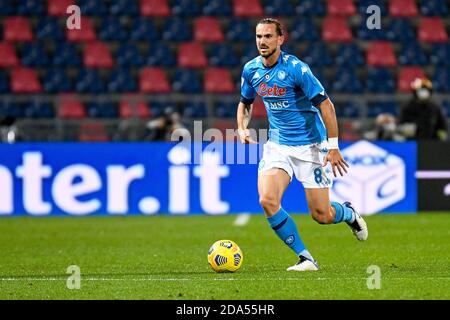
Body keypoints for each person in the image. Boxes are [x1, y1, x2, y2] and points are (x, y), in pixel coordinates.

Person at [236, 18, 368, 272]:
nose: (262, 41)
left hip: (311, 148)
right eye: (258, 36)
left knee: (322, 215)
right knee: (267, 200)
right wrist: (242, 127)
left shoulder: (297, 69)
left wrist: (333, 146)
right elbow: (246, 102)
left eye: (268, 36)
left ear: (280, 39)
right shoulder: (251, 69)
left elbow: (326, 106)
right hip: (278, 146)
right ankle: (306, 258)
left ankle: (348, 213)